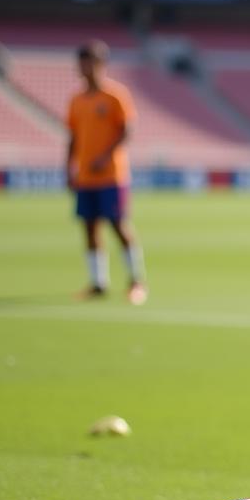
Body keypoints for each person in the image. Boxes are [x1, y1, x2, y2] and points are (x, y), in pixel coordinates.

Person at [66, 40, 147, 305]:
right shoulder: (76, 99)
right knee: (89, 228)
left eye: (87, 61)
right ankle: (98, 282)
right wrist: (69, 167)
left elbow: (127, 131)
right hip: (86, 177)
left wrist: (105, 156)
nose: (83, 67)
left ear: (99, 64)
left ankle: (136, 280)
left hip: (112, 175)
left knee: (118, 225)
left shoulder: (115, 95)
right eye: (81, 62)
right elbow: (73, 136)